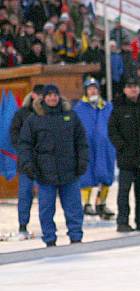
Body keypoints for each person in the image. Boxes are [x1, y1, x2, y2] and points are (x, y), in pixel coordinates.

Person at [18, 84, 88, 247]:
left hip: (69, 171)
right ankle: (49, 239)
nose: (52, 98)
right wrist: (29, 166)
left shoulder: (71, 116)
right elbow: (25, 145)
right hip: (44, 173)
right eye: (49, 95)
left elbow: (81, 142)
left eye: (55, 95)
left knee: (74, 208)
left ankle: (76, 236)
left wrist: (82, 162)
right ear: (43, 98)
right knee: (46, 210)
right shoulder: (34, 119)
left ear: (59, 97)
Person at [109, 77, 140, 232]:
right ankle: (122, 222)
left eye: (135, 86)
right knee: (124, 193)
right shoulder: (118, 108)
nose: (133, 89)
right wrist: (122, 148)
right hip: (126, 158)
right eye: (130, 86)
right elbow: (112, 132)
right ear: (124, 90)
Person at [73, 78, 116, 219]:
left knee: (105, 174)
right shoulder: (79, 108)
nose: (93, 91)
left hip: (105, 146)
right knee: (87, 174)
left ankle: (101, 203)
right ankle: (86, 204)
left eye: (95, 88)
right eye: (90, 88)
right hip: (87, 146)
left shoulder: (107, 107)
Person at [10, 83, 44, 238]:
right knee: (25, 193)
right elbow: (14, 134)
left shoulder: (50, 113)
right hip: (26, 160)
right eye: (38, 94)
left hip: (45, 159)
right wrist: (24, 150)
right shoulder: (22, 113)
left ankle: (47, 225)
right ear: (32, 95)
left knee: (46, 194)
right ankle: (22, 225)